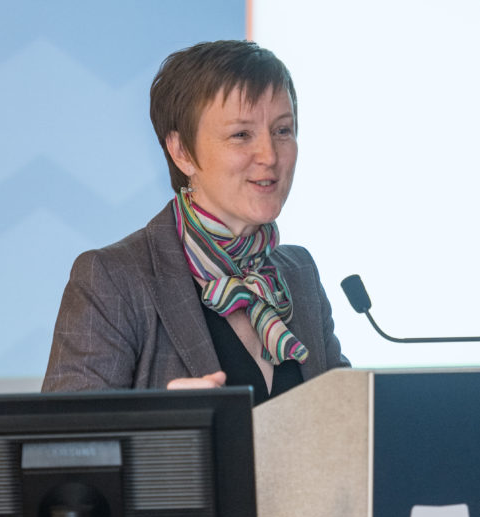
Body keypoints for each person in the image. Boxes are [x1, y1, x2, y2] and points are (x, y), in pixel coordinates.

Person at [42, 40, 349, 403]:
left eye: (282, 130)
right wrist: (160, 427)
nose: (269, 155)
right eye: (241, 135)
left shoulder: (299, 273)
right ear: (182, 152)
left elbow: (345, 422)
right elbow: (65, 450)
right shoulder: (114, 280)